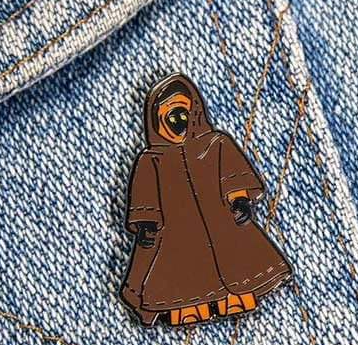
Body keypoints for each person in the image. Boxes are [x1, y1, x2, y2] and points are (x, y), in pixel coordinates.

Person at [121, 73, 291, 326]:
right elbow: (146, 198)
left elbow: (232, 174)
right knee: (184, 269)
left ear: (193, 112)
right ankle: (189, 309)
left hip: (220, 221)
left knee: (235, 260)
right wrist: (146, 222)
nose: (178, 121)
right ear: (157, 120)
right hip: (177, 232)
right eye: (170, 116)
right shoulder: (151, 159)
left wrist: (240, 199)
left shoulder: (215, 143)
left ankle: (234, 299)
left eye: (182, 113)